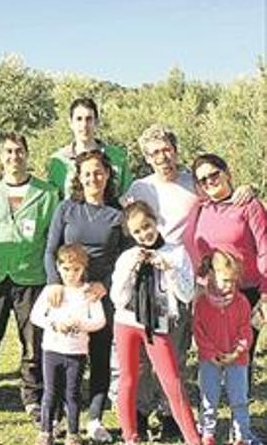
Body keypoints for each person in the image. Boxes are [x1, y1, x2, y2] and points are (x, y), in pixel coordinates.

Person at [122, 125, 255, 439]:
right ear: (146, 157)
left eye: (166, 149)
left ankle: (170, 414)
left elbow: (220, 193)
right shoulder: (138, 188)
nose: (162, 157)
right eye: (154, 152)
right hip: (145, 281)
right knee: (143, 358)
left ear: (175, 149)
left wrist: (244, 189)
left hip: (183, 280)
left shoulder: (192, 183)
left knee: (176, 353)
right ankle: (141, 411)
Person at [0, 133, 60, 420]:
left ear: (27, 154)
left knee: (33, 340)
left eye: (19, 151)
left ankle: (33, 397)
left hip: (31, 276)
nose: (13, 157)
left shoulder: (46, 194)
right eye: (7, 152)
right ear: (0, 156)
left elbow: (52, 240)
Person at [42, 150, 125, 442]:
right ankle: (58, 418)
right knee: (65, 357)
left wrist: (104, 283)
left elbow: (124, 256)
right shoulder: (66, 209)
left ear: (108, 174)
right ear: (79, 176)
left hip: (99, 295)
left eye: (99, 171)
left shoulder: (117, 214)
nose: (93, 177)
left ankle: (95, 419)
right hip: (65, 294)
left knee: (100, 357)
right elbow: (51, 249)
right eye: (87, 172)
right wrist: (54, 283)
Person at [111, 201, 200, 445]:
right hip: (127, 323)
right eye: (137, 231)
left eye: (147, 226)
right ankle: (130, 436)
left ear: (155, 221)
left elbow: (187, 295)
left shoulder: (176, 252)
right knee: (128, 379)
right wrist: (131, 269)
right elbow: (117, 299)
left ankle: (193, 438)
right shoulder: (128, 256)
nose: (144, 234)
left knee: (171, 380)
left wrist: (169, 269)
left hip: (158, 325)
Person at [184, 153, 267, 386]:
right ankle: (211, 406)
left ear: (226, 173)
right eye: (203, 179)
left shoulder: (249, 205)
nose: (210, 181)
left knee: (241, 354)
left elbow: (264, 247)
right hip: (211, 293)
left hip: (245, 291)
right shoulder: (202, 208)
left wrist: (265, 292)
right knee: (212, 352)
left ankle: (240, 409)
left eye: (214, 174)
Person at [32, 244, 106, 445]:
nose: (71, 274)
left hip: (76, 352)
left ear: (84, 269)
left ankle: (73, 432)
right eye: (66, 269)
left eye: (76, 269)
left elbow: (100, 321)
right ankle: (46, 431)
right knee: (50, 392)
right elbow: (36, 316)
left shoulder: (88, 292)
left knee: (72, 393)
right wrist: (55, 324)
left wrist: (82, 324)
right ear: (57, 267)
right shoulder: (52, 290)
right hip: (52, 351)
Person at [194, 250, 261, 445]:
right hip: (210, 359)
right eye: (225, 280)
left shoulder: (241, 302)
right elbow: (199, 332)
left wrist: (238, 351)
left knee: (239, 399)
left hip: (237, 359)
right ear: (212, 276)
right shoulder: (203, 303)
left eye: (233, 281)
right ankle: (207, 433)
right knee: (208, 397)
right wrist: (210, 353)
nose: (229, 285)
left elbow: (245, 330)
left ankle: (241, 435)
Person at [46, 97, 132, 199]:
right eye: (79, 119)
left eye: (89, 119)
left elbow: (127, 196)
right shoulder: (58, 161)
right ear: (71, 123)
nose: (84, 125)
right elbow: (54, 202)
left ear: (96, 122)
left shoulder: (118, 157)